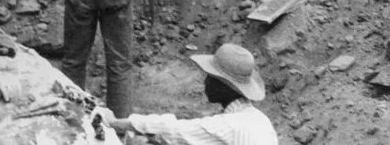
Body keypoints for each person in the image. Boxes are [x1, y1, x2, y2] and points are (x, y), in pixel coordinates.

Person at [94, 43, 279, 144]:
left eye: (211, 78)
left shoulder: (229, 125)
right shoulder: (259, 120)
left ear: (225, 87)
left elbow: (176, 130)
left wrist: (117, 123)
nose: (205, 82)